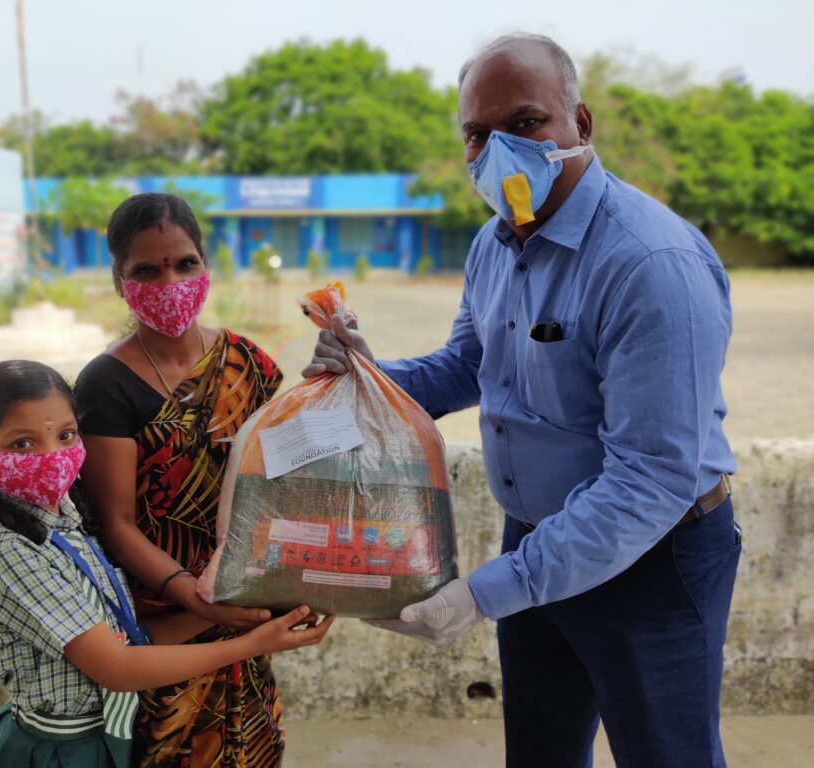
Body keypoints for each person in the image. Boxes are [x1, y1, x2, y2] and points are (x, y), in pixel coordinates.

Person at [305, 33, 740, 768]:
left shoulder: (648, 265)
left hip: (651, 557)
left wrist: (485, 593)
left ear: (581, 125)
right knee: (540, 752)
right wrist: (368, 374)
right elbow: (470, 365)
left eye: (527, 122)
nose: (498, 149)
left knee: (667, 756)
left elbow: (651, 478)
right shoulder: (495, 243)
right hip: (539, 540)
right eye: (478, 133)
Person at [0, 360, 332, 767]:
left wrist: (232, 614)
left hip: (103, 739)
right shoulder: (13, 552)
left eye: (66, 435)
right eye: (22, 443)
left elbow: (130, 639)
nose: (52, 455)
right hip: (56, 753)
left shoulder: (67, 519)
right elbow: (117, 667)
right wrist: (250, 645)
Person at [74, 193, 291, 767]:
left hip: (246, 603)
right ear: (120, 281)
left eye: (184, 263)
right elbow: (117, 524)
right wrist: (194, 596)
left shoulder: (250, 365)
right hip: (163, 622)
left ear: (205, 266)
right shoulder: (105, 384)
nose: (169, 281)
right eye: (147, 270)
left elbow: (283, 488)